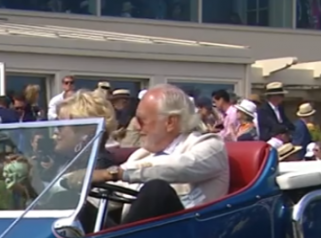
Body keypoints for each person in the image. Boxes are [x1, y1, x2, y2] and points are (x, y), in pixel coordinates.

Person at [83, 84, 229, 224]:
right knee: (81, 208)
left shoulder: (210, 145)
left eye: (142, 120)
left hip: (187, 236)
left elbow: (180, 166)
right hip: (136, 237)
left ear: (170, 122)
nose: (136, 127)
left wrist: (112, 173)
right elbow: (114, 194)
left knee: (157, 189)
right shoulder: (141, 155)